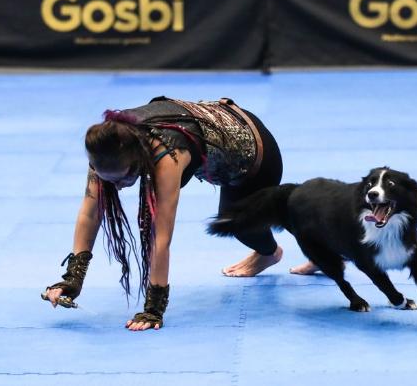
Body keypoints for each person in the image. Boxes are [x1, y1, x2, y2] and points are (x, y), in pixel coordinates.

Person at [42, 96, 283, 331]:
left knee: (237, 226)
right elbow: (90, 214)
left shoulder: (167, 156)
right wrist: (72, 278)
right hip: (222, 138)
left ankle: (271, 253)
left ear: (138, 161)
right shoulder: (106, 147)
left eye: (121, 179)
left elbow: (161, 237)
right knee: (233, 218)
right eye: (109, 180)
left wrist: (153, 308)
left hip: (257, 156)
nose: (116, 187)